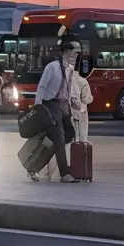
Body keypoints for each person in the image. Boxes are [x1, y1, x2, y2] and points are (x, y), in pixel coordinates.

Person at [30, 39, 79, 183]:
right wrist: (37, 106)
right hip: (50, 104)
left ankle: (33, 167)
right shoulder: (52, 67)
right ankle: (64, 173)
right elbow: (42, 86)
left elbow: (70, 89)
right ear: (65, 52)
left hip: (64, 108)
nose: (76, 55)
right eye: (74, 52)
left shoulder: (70, 70)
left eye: (77, 53)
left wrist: (75, 100)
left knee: (58, 139)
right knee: (59, 139)